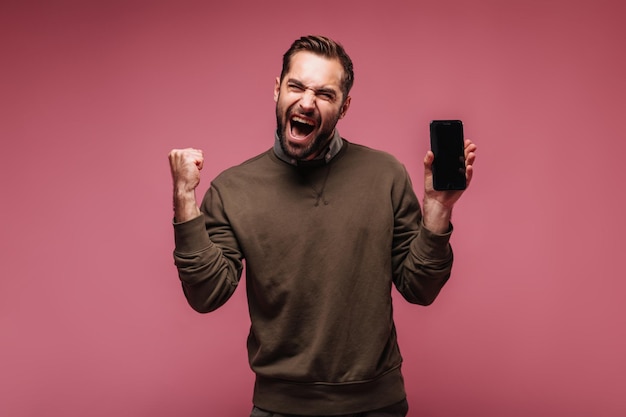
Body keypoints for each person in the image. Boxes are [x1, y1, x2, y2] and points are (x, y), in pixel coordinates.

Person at [168, 35, 477, 417]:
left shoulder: (386, 175)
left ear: (344, 106)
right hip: (279, 409)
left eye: (325, 94)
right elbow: (206, 294)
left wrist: (437, 209)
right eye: (296, 86)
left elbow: (420, 288)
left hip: (378, 406)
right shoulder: (233, 189)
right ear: (277, 89)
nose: (307, 102)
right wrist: (184, 198)